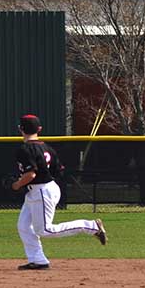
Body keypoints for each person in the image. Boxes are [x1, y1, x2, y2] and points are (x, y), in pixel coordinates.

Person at [9, 114, 107, 270]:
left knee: (45, 230)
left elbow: (31, 174)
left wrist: (17, 184)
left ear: (20, 129)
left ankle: (91, 226)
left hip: (41, 191)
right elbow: (58, 170)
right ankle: (38, 259)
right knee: (23, 226)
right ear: (39, 129)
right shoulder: (46, 147)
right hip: (44, 188)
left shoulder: (25, 149)